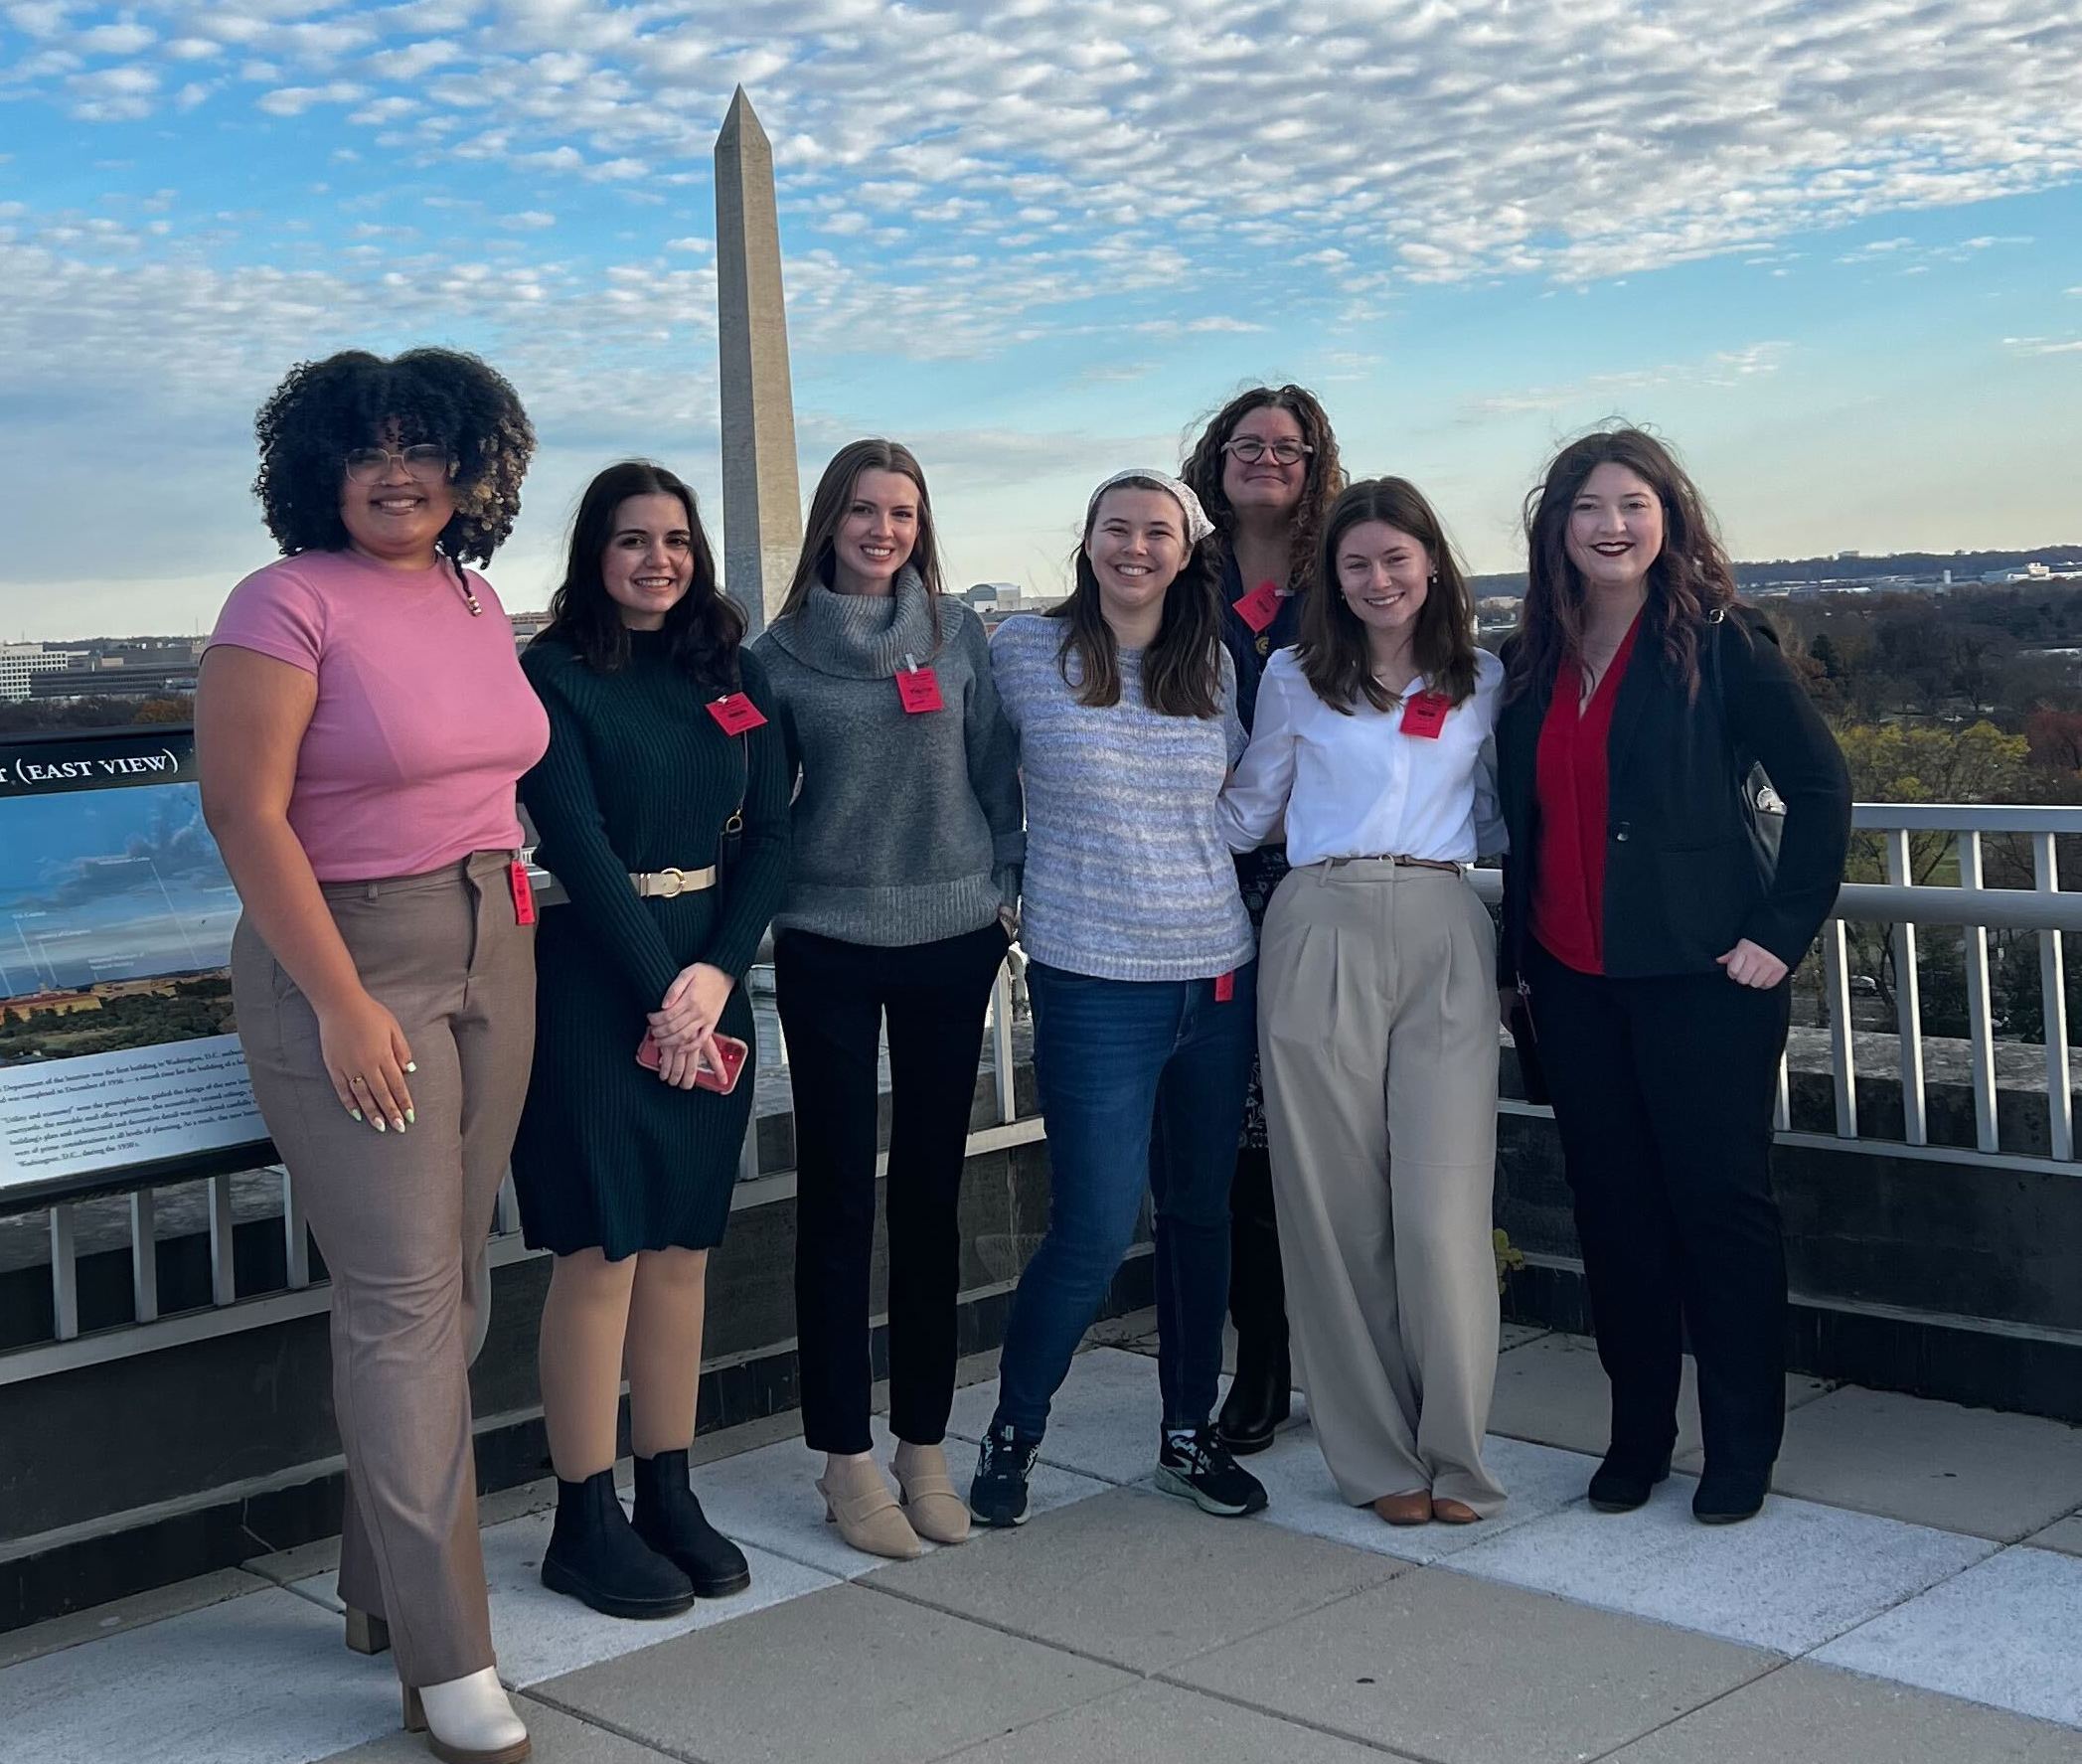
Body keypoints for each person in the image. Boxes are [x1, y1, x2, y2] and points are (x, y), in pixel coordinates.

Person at [199, 348, 546, 1764]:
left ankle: (377, 1586)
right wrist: (338, 1000)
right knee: (402, 1302)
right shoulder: (282, 602)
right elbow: (243, 811)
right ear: (320, 469)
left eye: (425, 447)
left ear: (471, 464)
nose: (399, 474)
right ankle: (449, 1656)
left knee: (454, 1284)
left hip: (497, 940)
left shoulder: (473, 597)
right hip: (351, 959)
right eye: (368, 450)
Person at [1496, 426, 1850, 1525]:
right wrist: (1517, 966)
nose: (1610, 526)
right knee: (1613, 1216)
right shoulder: (1531, 656)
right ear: (1556, 527)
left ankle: (1738, 1447)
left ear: (1668, 518)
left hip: (1702, 979)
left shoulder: (1720, 641)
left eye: (1632, 504)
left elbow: (1820, 788)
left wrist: (1779, 930)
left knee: (1719, 1212)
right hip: (1571, 982)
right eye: (1587, 506)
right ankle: (1637, 1435)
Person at [514, 461, 789, 1615]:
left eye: (675, 539)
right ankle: (583, 1517)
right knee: (601, 1249)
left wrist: (716, 974)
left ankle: (668, 1490)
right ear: (595, 551)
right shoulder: (551, 675)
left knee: (682, 1246)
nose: (658, 559)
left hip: (710, 975)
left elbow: (771, 836)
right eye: (633, 539)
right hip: (593, 982)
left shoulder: (730, 669)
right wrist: (662, 993)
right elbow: (572, 839)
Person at [970, 469, 1267, 1529]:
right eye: (1116, 528)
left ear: (1186, 552)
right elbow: (969, 772)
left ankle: (1187, 1431)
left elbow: (1240, 799)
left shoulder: (1211, 663)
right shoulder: (1021, 650)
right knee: (1093, 1227)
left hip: (1215, 974)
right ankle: (1014, 1431)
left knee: (1198, 1214)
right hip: (1092, 980)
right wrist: (1000, 876)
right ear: (1087, 539)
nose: (1135, 547)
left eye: (1157, 532)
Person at [751, 440, 1022, 1559]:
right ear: (829, 520)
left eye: (902, 512)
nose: (882, 530)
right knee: (834, 1204)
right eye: (864, 509)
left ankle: (922, 1443)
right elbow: (765, 808)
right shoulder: (773, 657)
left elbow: (995, 769)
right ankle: (842, 1455)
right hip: (827, 939)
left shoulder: (959, 635)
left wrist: (1003, 886)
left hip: (952, 936)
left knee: (928, 1197)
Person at [1219, 478, 1508, 1526]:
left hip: (1443, 923)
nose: (1378, 579)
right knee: (1334, 1210)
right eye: (1355, 564)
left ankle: (1457, 1450)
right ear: (1331, 580)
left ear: (1430, 562)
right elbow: (1248, 809)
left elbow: (1500, 812)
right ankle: (1375, 1453)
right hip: (1319, 923)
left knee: (1440, 1212)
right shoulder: (1294, 676)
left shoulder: (1482, 676)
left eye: (1395, 558)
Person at [1181, 385, 1345, 1453]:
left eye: (1290, 447)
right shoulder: (1180, 569)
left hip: (1319, 872)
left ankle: (1356, 1357)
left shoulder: (1346, 570)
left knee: (1331, 1124)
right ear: (1217, 456)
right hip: (1202, 873)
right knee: (1237, 1136)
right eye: (1249, 443)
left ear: (1315, 462)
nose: (1267, 460)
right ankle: (1262, 1356)